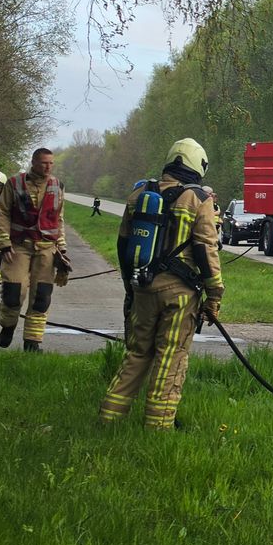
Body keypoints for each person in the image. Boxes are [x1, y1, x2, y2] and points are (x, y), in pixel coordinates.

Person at [98, 139, 225, 429]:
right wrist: (214, 295)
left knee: (137, 353)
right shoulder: (198, 200)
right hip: (179, 296)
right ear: (198, 165)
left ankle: (109, 418)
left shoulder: (139, 194)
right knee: (171, 355)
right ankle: (158, 426)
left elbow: (123, 245)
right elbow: (207, 251)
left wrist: (131, 287)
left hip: (142, 286)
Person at [0, 150, 66, 351]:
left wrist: (62, 249)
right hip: (18, 247)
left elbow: (58, 220)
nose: (48, 167)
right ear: (33, 162)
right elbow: (2, 213)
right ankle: (8, 325)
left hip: (46, 249)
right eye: (44, 163)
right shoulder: (14, 183)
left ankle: (32, 343)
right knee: (13, 293)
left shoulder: (58, 186)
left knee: (41, 297)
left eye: (51, 163)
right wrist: (4, 243)